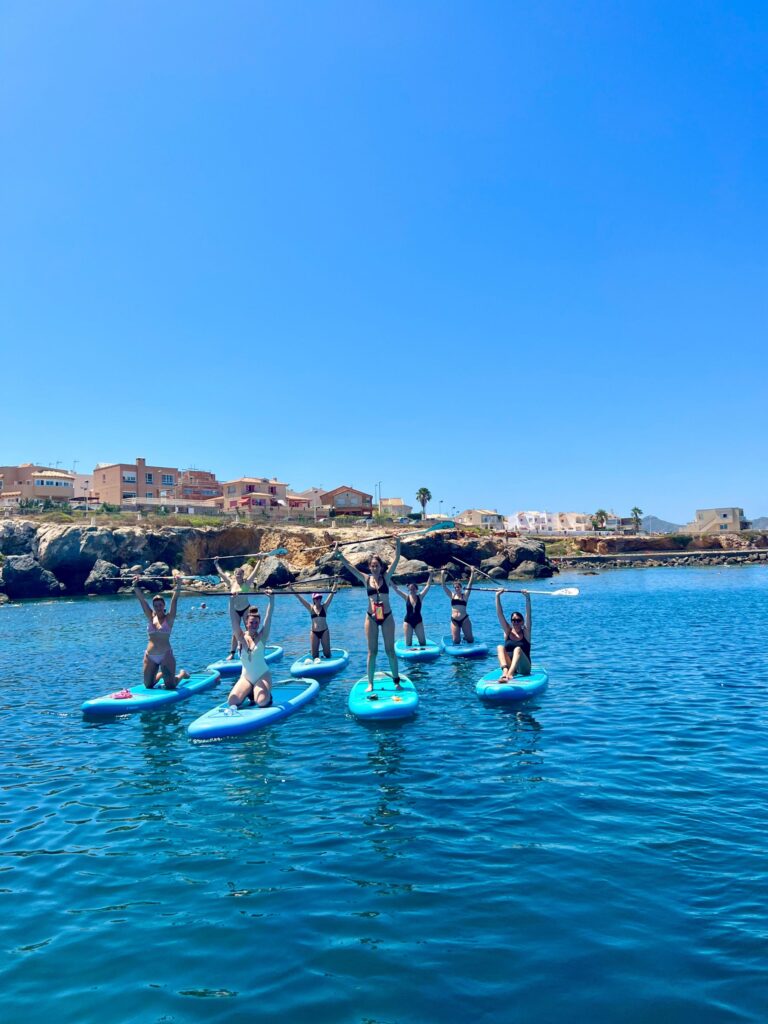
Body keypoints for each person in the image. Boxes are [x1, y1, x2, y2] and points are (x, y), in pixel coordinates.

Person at [334, 539, 402, 694]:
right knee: (372, 652)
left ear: (381, 566)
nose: (374, 568)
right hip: (371, 617)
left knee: (390, 650)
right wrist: (338, 554)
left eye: (377, 565)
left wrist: (398, 542)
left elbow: (397, 558)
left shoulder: (386, 577)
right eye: (372, 566)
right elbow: (349, 567)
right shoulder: (366, 579)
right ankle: (370, 683)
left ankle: (396, 681)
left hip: (387, 616)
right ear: (370, 567)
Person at [134, 574, 190, 689]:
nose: (158, 607)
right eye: (156, 606)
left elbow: (174, 600)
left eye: (160, 605)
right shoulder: (150, 617)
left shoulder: (169, 619)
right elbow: (142, 600)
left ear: (164, 605)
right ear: (153, 607)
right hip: (150, 656)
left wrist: (178, 584)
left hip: (165, 655)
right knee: (148, 685)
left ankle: (181, 674)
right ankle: (160, 675)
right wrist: (135, 585)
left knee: (170, 686)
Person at [225, 587, 275, 711]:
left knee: (262, 702)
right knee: (232, 701)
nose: (254, 625)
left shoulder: (262, 637)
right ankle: (250, 692)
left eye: (256, 623)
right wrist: (231, 601)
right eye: (251, 622)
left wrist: (272, 600)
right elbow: (232, 619)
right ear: (246, 622)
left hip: (262, 676)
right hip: (246, 678)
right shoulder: (241, 637)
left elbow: (268, 618)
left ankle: (265, 695)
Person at [214, 558, 261, 659]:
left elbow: (255, 571)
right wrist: (216, 563)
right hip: (235, 610)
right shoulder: (231, 583)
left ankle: (256, 647)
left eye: (240, 574)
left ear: (243, 575)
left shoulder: (247, 583)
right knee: (235, 632)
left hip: (245, 609)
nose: (238, 576)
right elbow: (222, 574)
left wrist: (260, 559)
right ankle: (232, 653)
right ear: (234, 575)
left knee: (251, 629)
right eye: (236, 574)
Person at [293, 585, 338, 659]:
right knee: (314, 656)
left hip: (324, 632)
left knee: (327, 654)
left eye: (320, 598)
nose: (318, 600)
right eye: (316, 598)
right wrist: (291, 588)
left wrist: (335, 583)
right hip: (314, 632)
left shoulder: (325, 606)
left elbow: (331, 594)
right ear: (313, 600)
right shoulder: (310, 608)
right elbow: (299, 598)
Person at [495, 589, 532, 679]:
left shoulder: (526, 633)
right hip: (510, 664)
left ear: (522, 622)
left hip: (524, 668)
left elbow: (528, 615)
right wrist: (497, 596)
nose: (516, 622)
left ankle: (510, 674)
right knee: (500, 647)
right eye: (514, 620)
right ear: (511, 622)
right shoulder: (508, 631)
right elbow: (500, 614)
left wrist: (527, 598)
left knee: (518, 649)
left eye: (518, 620)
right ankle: (505, 671)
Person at [391, 575, 433, 647]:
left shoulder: (420, 596)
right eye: (410, 589)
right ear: (408, 590)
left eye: (413, 589)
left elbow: (428, 586)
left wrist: (431, 575)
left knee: (423, 643)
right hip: (408, 622)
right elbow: (396, 589)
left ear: (416, 589)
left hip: (418, 621)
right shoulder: (406, 597)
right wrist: (389, 579)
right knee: (408, 644)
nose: (412, 590)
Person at [440, 569, 476, 644]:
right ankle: (459, 638)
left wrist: (472, 572)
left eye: (458, 587)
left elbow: (470, 584)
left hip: (464, 619)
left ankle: (466, 637)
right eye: (455, 587)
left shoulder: (465, 596)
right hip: (454, 620)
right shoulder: (452, 595)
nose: (457, 589)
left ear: (461, 588)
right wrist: (442, 574)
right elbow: (444, 586)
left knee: (470, 640)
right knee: (456, 641)